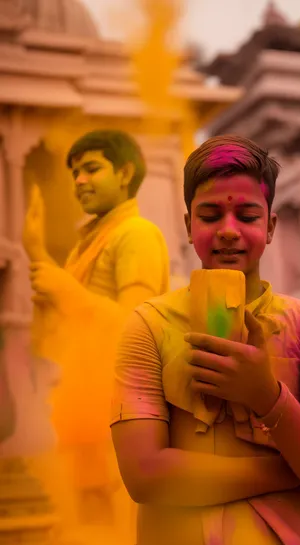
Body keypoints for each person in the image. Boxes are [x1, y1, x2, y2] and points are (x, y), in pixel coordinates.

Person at [111, 135, 300, 545]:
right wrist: (289, 470)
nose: (229, 232)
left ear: (270, 227)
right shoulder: (148, 326)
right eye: (210, 216)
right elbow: (145, 474)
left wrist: (266, 398)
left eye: (247, 216)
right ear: (188, 226)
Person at [22, 128, 170, 523]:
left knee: (114, 542)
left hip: (118, 420)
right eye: (74, 173)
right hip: (81, 414)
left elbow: (134, 326)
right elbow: (70, 328)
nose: (79, 181)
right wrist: (37, 252)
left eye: (91, 168)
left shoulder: (135, 234)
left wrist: (63, 290)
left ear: (124, 173)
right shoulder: (87, 244)